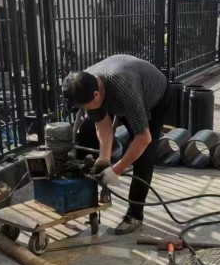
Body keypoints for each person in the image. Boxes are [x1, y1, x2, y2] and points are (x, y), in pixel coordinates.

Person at [62, 54, 171, 235]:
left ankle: (135, 215)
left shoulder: (124, 89)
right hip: (122, 94)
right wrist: (104, 159)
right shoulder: (84, 83)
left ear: (96, 95)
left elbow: (143, 138)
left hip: (155, 96)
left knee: (144, 156)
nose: (85, 110)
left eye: (86, 107)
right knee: (89, 129)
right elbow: (102, 124)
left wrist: (117, 170)